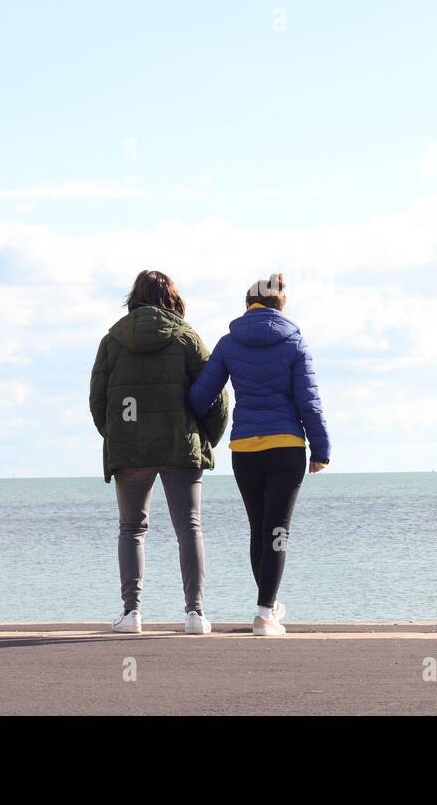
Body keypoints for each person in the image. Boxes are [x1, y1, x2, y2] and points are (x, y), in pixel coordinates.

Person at [188, 274, 331, 636]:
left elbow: (200, 398)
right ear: (281, 305)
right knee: (278, 530)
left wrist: (204, 432)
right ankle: (265, 614)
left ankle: (265, 606)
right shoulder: (295, 342)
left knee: (259, 529)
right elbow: (309, 402)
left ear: (247, 303)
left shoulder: (228, 343)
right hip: (286, 447)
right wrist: (321, 449)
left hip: (245, 448)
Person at [90, 270, 228, 635]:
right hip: (180, 445)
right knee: (190, 529)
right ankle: (195, 615)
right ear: (172, 298)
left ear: (134, 297)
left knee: (132, 529)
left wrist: (119, 434)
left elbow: (98, 400)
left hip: (129, 448)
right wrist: (203, 438)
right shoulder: (186, 338)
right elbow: (217, 396)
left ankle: (131, 613)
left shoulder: (113, 340)